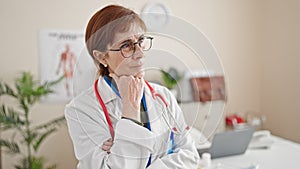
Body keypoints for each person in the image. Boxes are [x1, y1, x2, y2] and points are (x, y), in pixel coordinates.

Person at [65, 5, 199, 169]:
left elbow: (190, 155)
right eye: (126, 45)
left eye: (141, 41)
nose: (140, 53)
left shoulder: (164, 96)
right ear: (102, 57)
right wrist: (130, 107)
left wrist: (124, 145)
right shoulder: (81, 110)